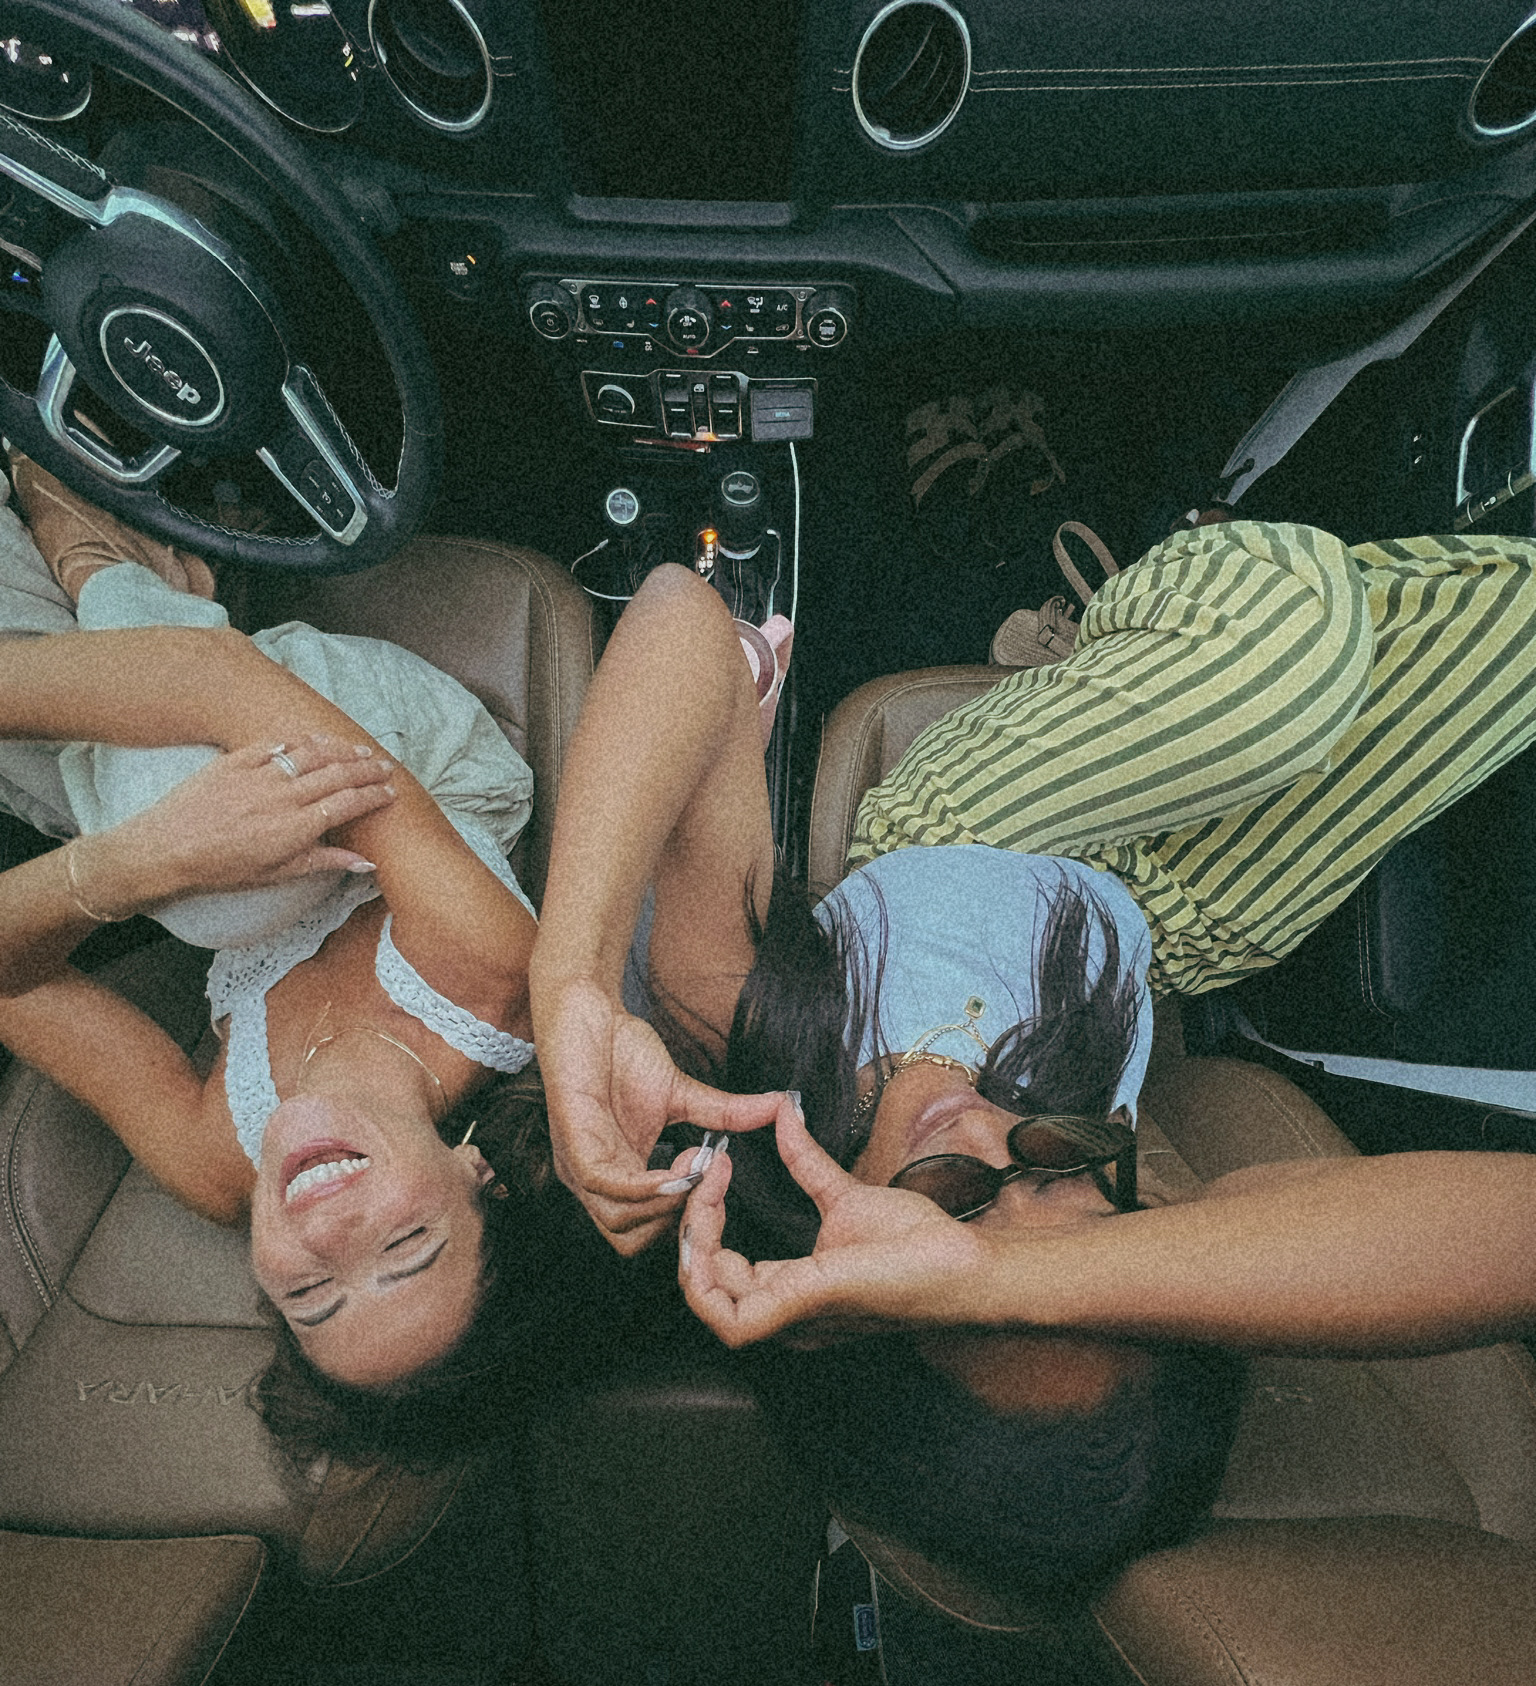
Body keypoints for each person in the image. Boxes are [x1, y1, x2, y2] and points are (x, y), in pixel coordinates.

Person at [530, 525, 1536, 1599]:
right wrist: (994, 1279)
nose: (987, 1132)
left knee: (1292, 672)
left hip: (994, 825)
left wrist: (574, 975)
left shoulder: (746, 1048)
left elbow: (685, 608)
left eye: (954, 1204)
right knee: (1506, 642)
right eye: (1063, 1160)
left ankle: (1118, 647)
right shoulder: (1158, 1187)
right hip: (1185, 919)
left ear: (863, 1301)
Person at [0, 452, 558, 1411]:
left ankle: (150, 579)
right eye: (403, 1248)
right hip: (412, 758)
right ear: (478, 1180)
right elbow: (219, 681)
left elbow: (12, 982)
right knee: (212, 895)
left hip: (172, 814)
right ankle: (86, 535)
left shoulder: (221, 1159)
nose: (329, 1236)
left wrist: (136, 864)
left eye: (307, 1293)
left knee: (70, 774)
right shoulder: (489, 977)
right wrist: (171, 859)